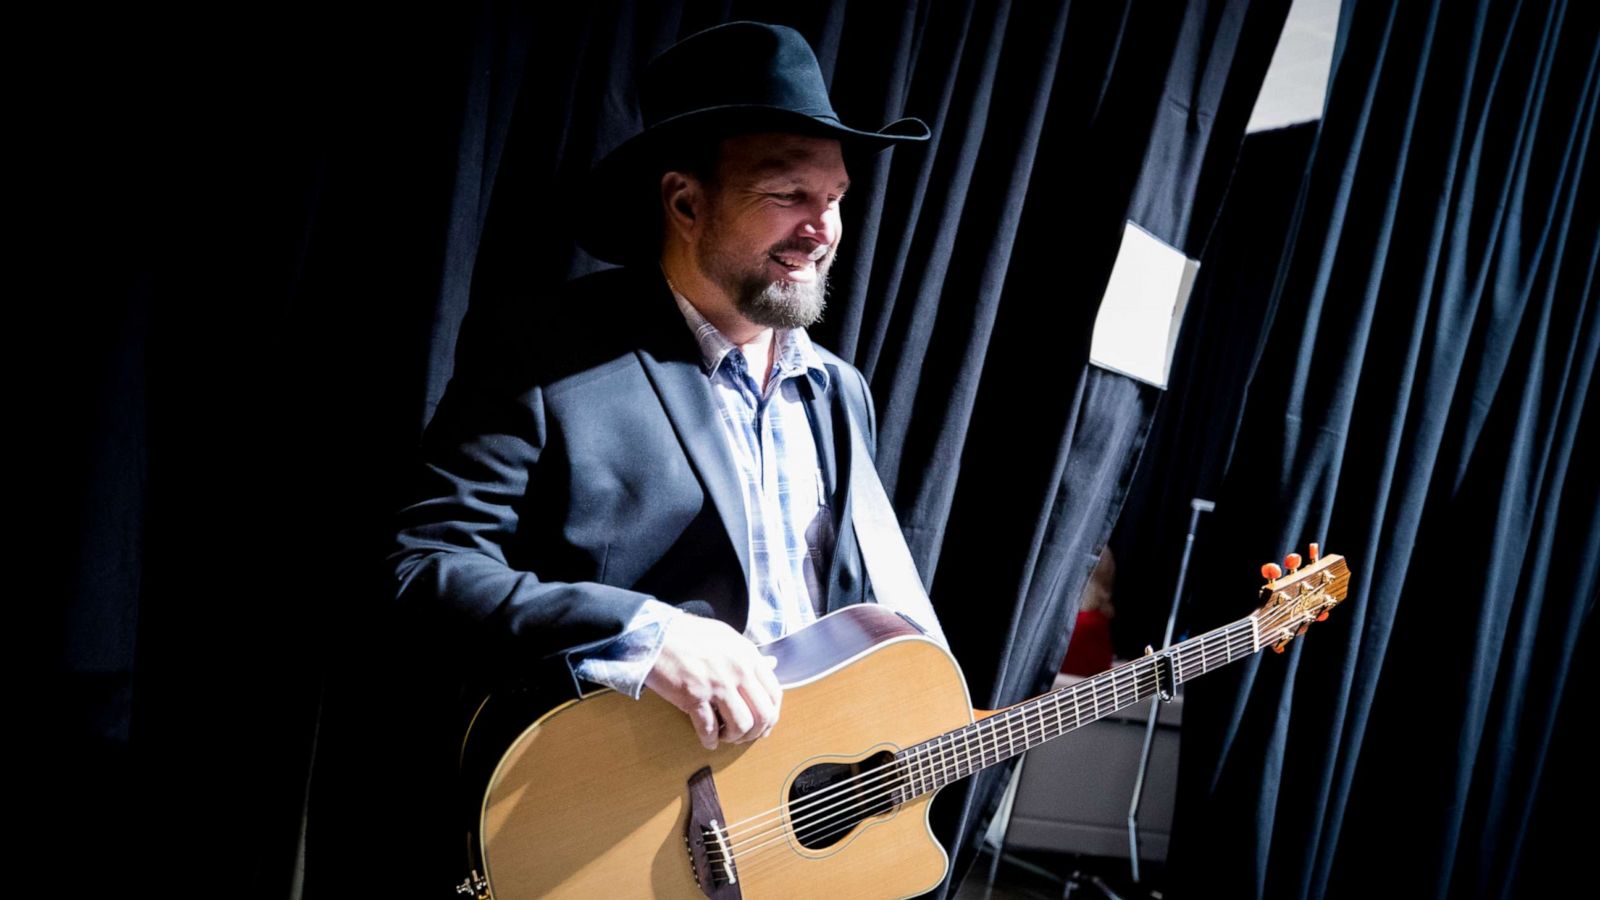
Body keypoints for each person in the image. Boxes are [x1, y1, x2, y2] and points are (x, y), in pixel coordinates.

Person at [389, 20, 943, 758]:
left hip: (784, 820)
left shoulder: (838, 393)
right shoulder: (546, 349)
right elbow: (428, 565)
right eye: (788, 194)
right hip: (603, 804)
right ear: (684, 203)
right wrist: (646, 636)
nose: (824, 229)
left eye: (835, 197)